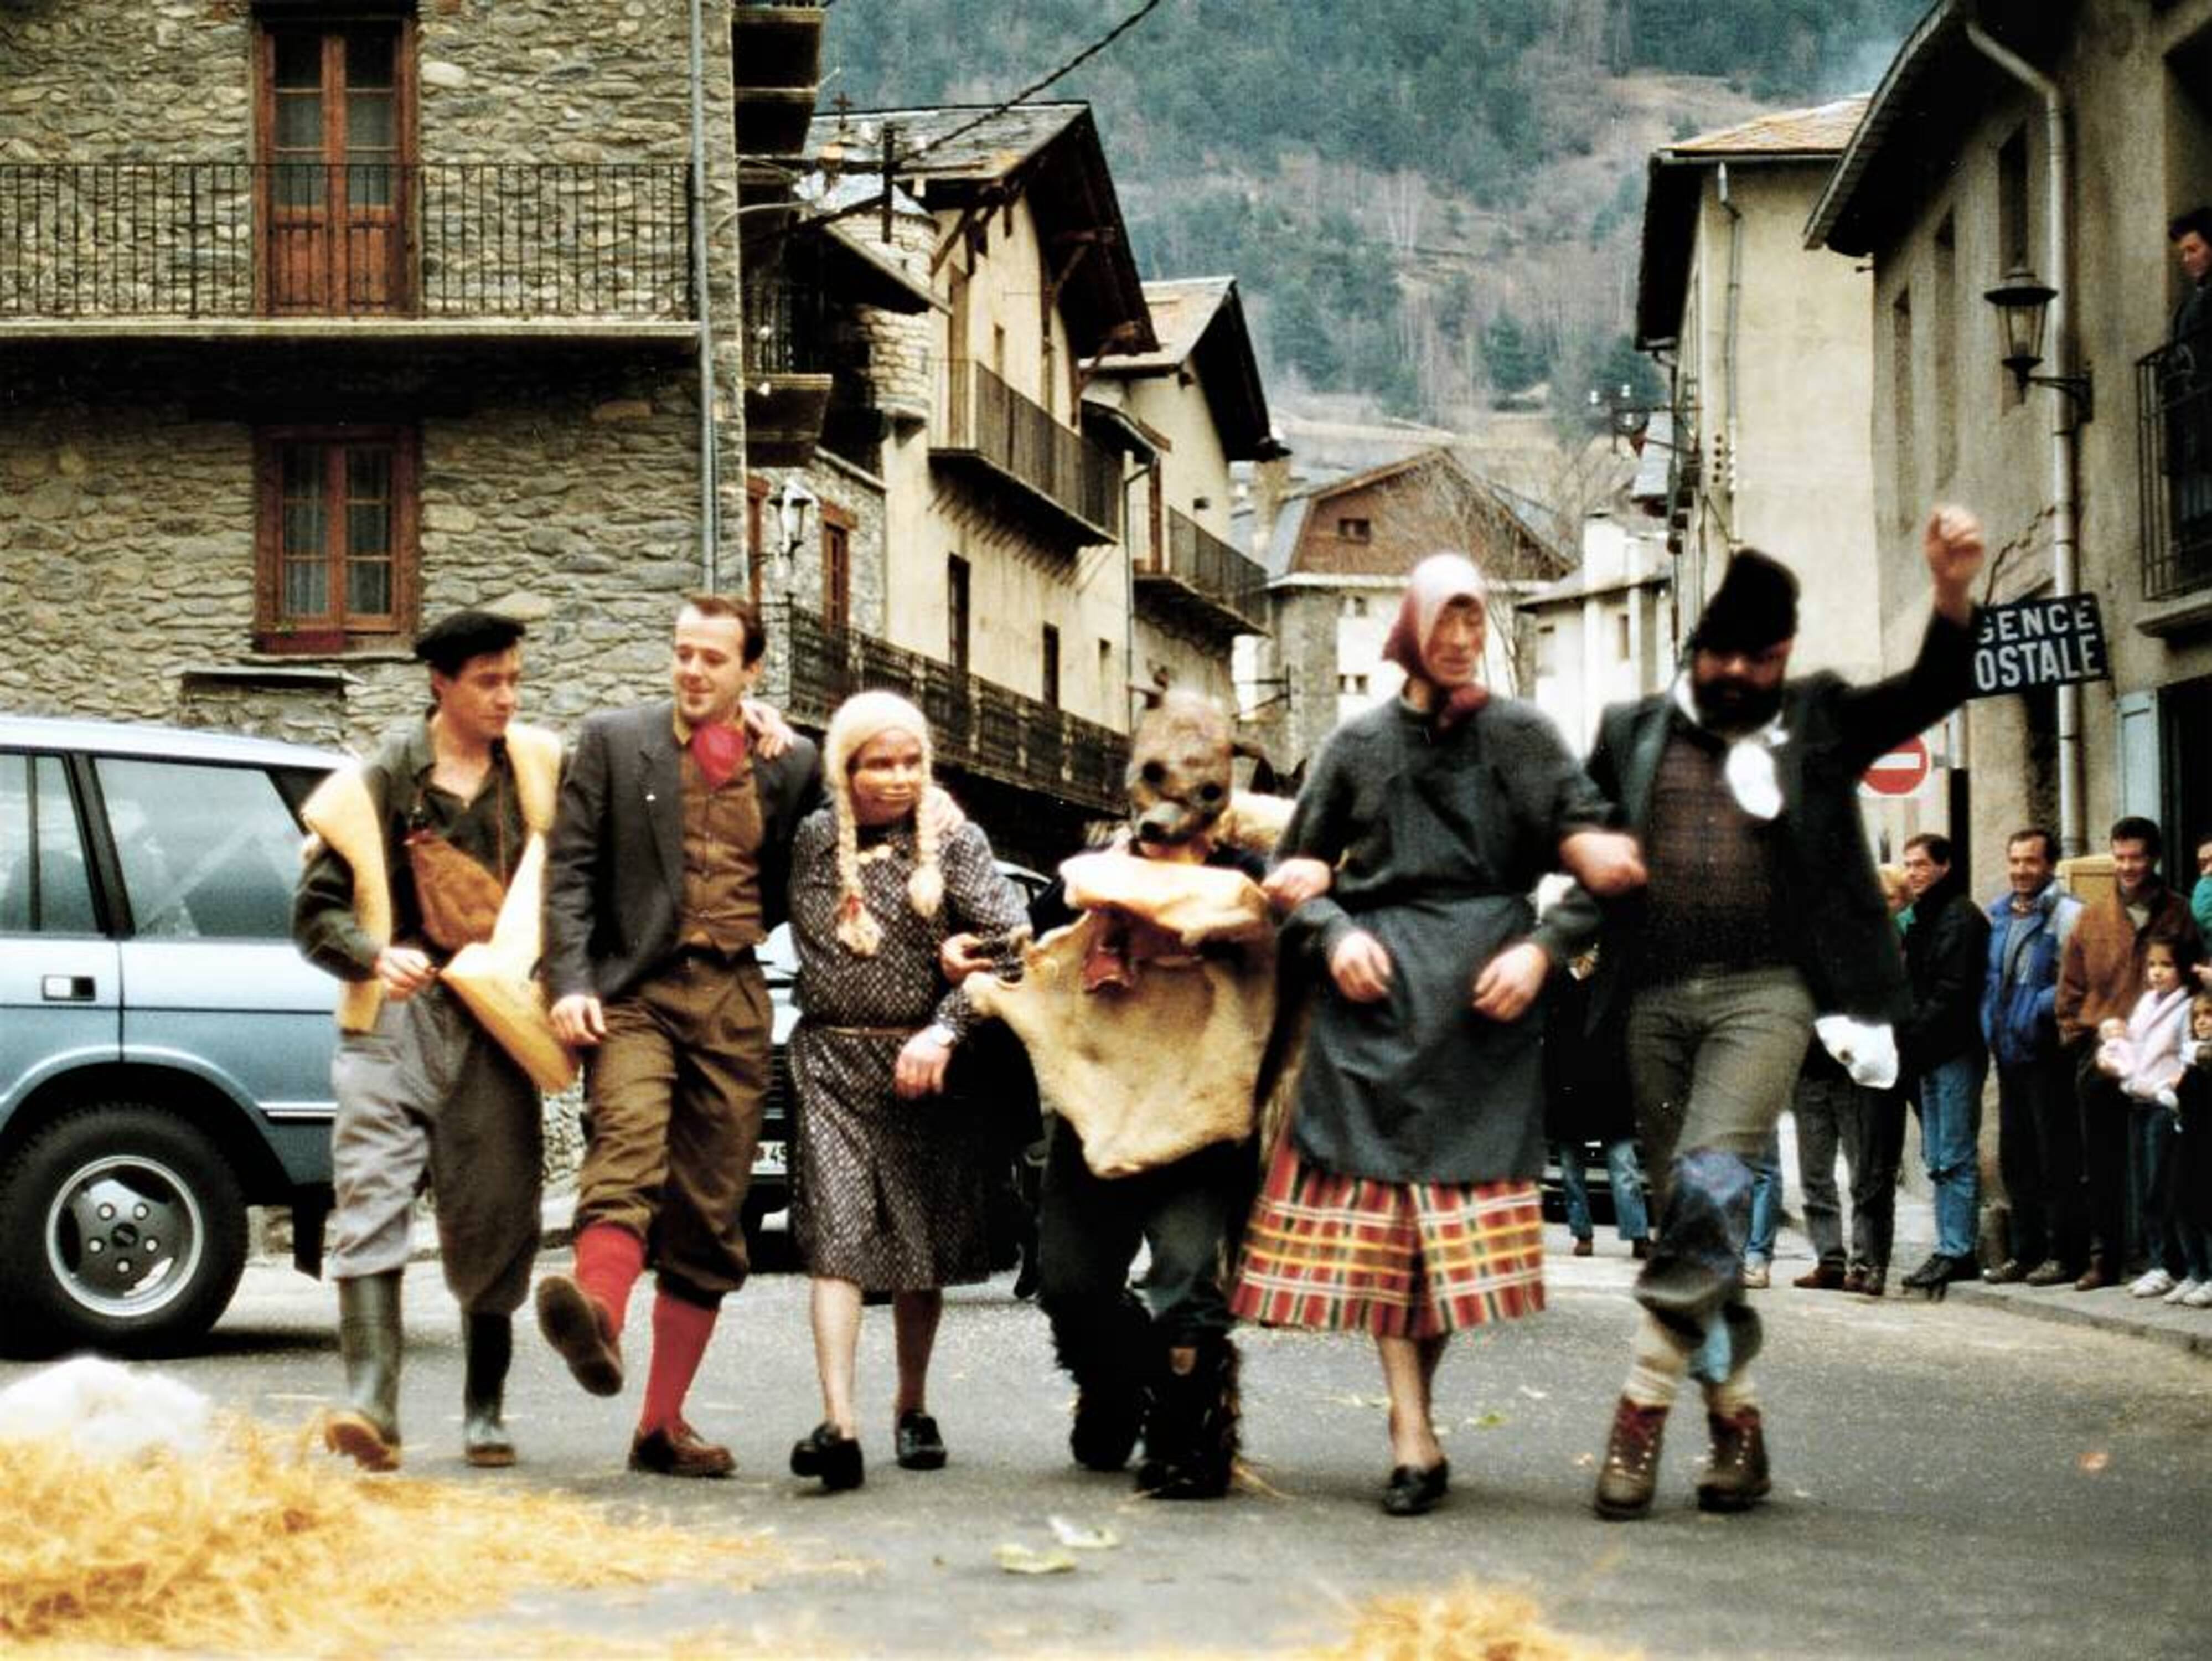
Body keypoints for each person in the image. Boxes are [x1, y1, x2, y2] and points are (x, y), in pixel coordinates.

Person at [1582, 507, 1985, 1521]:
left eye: (1758, 660)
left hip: (1768, 994)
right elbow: (1573, 830)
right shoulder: (1631, 733)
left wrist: (1948, 591)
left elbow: (1931, 688)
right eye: (1721, 656)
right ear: (1697, 650)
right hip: (1653, 999)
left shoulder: (1817, 716)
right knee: (1694, 1223)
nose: (1737, 676)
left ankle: (1638, 1417)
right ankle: (1740, 1430)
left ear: (1784, 656)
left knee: (1715, 1188)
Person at [1233, 553, 1638, 1518]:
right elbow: (1292, 877)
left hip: (1483, 1018)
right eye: (1447, 619)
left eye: (1475, 618)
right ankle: (1410, 1430)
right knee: (1387, 1239)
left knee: (1446, 1248)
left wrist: (1541, 951)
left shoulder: (1524, 738)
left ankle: (1421, 1410)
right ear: (1412, 628)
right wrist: (1333, 937)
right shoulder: (1357, 744)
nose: (1462, 638)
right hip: (1371, 1014)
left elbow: (1592, 859)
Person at [535, 595, 823, 1478]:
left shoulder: (791, 764)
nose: (692, 671)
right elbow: (571, 873)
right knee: (624, 1145)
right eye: (682, 653)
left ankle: (660, 1427)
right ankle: (600, 1316)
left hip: (734, 994)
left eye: (712, 659)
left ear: (751, 672)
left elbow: (799, 868)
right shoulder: (615, 743)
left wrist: (777, 731)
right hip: (636, 992)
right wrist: (572, 982)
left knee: (711, 1210)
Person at [292, 610, 559, 1472]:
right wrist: (374, 953)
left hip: (499, 1019)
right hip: (393, 1022)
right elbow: (314, 915)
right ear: (441, 683)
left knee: (497, 1212)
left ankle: (485, 1409)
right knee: (370, 1201)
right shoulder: (370, 787)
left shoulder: (541, 773)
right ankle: (373, 1403)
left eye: (515, 679)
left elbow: (628, 816)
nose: (507, 697)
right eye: (490, 681)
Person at [782, 692, 1029, 1492]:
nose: (897, 779)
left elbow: (1010, 948)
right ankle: (839, 1423)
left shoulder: (955, 838)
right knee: (836, 1236)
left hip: (924, 1063)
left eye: (911, 762)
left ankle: (912, 1406)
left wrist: (948, 1025)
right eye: (878, 764)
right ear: (844, 770)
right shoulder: (814, 840)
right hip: (830, 1061)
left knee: (916, 1243)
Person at [2054, 816, 2203, 1292]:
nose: (2127, 866)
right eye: (2119, 857)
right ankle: (2106, 1257)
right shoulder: (2092, 916)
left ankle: (2172, 1260)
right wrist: (2088, 1036)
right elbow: (2069, 992)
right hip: (2105, 1056)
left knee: (2168, 1166)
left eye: (2136, 857)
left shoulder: (2180, 913)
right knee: (2101, 1164)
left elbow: (2200, 983)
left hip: (2163, 1061)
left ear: (2154, 857)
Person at [1980, 829, 2089, 1287]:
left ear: (2051, 864)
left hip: (2048, 1051)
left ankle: (2063, 1255)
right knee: (2017, 1157)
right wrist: (1993, 1021)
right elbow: (1992, 979)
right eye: (2015, 860)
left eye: (2031, 861)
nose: (2021, 869)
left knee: (2056, 1157)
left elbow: (2075, 981)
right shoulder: (2001, 914)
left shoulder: (2069, 915)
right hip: (2009, 1053)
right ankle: (2025, 1254)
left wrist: (2033, 1012)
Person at [1895, 832, 1992, 1293]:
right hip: (1928, 1051)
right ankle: (1949, 1245)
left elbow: (1951, 992)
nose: (1913, 872)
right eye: (1908, 864)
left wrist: (1909, 1033)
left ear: (1944, 866)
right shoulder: (1925, 917)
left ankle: (1958, 1251)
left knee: (1952, 1155)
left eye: (1921, 865)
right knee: (1936, 1155)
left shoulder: (1960, 917)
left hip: (1952, 1049)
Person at [2103, 936, 2198, 1299]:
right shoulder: (2145, 1003)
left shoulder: (2187, 1006)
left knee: (2164, 1185)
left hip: (2164, 1102)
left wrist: (2169, 1091)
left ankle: (2176, 1265)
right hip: (2139, 1099)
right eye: (2152, 966)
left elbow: (2187, 1056)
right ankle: (2158, 1261)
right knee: (2143, 1184)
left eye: (2166, 965)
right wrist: (2115, 1052)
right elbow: (2133, 1045)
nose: (2157, 973)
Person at [1545, 953, 1652, 1261]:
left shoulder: (1613, 983)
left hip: (1610, 1089)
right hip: (1567, 1091)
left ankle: (1638, 1234)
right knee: (1570, 1171)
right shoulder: (1555, 983)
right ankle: (1582, 1234)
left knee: (1624, 1167)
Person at [2167, 207, 2212, 568]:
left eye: (2193, 249)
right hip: (2194, 416)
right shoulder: (2189, 304)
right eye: (2183, 252)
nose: (2186, 259)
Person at [2168, 994, 2212, 1308]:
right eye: (2197, 1016)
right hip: (2190, 1140)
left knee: (2208, 1207)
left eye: (2209, 1014)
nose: (2202, 1021)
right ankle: (2195, 1272)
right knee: (2183, 1202)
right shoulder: (2191, 1058)